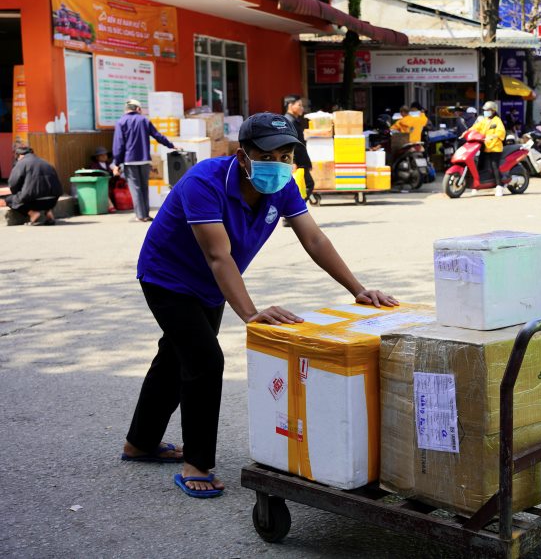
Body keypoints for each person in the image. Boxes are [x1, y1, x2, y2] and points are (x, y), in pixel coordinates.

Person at [121, 112, 398, 498]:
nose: (279, 163)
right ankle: (196, 464)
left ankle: (140, 442)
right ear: (243, 154)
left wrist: (358, 289)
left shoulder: (281, 185)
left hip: (211, 286)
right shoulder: (205, 182)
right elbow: (219, 257)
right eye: (269, 154)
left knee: (175, 356)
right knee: (204, 361)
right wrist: (250, 314)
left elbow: (314, 240)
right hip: (168, 278)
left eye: (287, 155)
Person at [112, 99, 175, 222]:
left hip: (129, 160)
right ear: (138, 109)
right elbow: (157, 135)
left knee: (135, 189)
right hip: (145, 160)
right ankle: (145, 214)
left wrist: (116, 162)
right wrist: (171, 145)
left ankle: (140, 216)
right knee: (144, 188)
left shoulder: (121, 122)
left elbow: (119, 144)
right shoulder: (144, 120)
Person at [5, 146, 62, 226]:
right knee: (42, 192)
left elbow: (13, 183)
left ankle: (33, 214)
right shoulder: (45, 162)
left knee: (9, 200)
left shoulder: (21, 163)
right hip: (52, 201)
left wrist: (17, 193)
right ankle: (48, 212)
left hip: (33, 202)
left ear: (20, 155)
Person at [466, 101, 506, 197]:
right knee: (479, 166)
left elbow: (501, 132)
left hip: (495, 148)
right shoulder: (484, 120)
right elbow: (475, 127)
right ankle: (477, 186)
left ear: (493, 111)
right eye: (484, 110)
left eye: (487, 110)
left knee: (494, 166)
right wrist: (466, 132)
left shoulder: (497, 121)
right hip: (485, 147)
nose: (485, 112)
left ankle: (499, 186)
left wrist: (493, 136)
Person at [283, 94, 312, 224]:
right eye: (299, 105)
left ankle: (292, 216)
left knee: (304, 186)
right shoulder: (288, 121)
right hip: (297, 161)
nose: (302, 108)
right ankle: (292, 215)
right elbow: (288, 144)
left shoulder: (293, 120)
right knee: (306, 186)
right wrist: (292, 162)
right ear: (290, 105)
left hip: (301, 160)